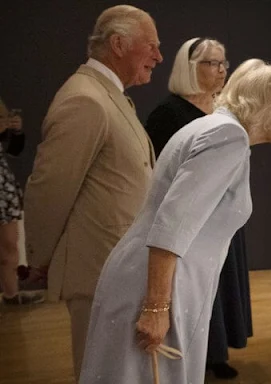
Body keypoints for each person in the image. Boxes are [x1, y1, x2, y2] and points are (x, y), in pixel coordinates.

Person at [79, 58, 271, 384]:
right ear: (268, 107)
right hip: (161, 283)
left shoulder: (212, 127)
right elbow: (173, 222)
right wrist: (156, 307)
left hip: (156, 276)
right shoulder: (227, 137)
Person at [22, 5, 162, 380]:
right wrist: (40, 257)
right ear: (118, 44)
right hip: (100, 273)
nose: (158, 57)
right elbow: (50, 189)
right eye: (151, 46)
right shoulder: (85, 99)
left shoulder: (105, 94)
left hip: (117, 269)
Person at [145, 37, 252, 379]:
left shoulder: (223, 107)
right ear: (189, 68)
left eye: (224, 63)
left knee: (221, 287)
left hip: (221, 215)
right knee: (195, 289)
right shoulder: (168, 113)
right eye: (212, 63)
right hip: (189, 223)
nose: (221, 71)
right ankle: (193, 356)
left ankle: (216, 352)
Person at [0, 98, 42, 305]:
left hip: (3, 189)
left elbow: (14, 151)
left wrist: (15, 131)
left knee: (10, 245)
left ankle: (11, 295)